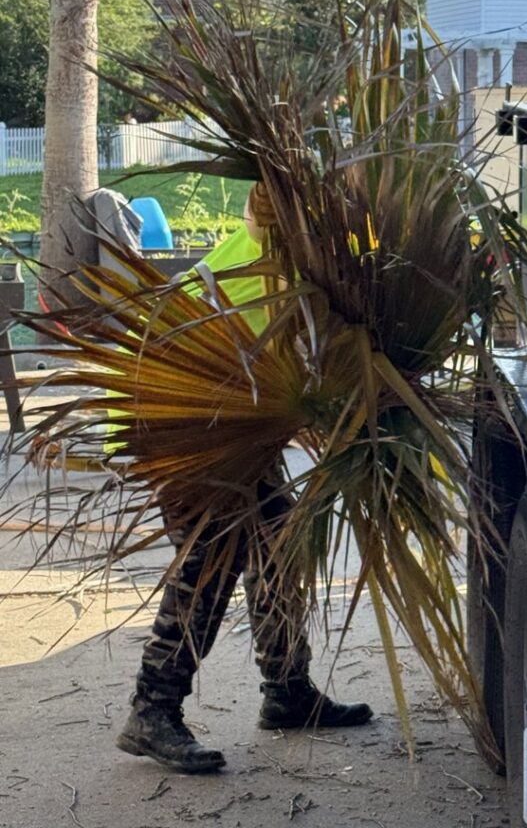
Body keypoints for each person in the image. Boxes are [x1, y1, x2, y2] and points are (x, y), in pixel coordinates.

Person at [116, 185, 372, 773]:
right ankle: (152, 709)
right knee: (210, 559)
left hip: (229, 422)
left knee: (277, 547)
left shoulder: (290, 270)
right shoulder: (257, 266)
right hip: (179, 424)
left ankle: (287, 689)